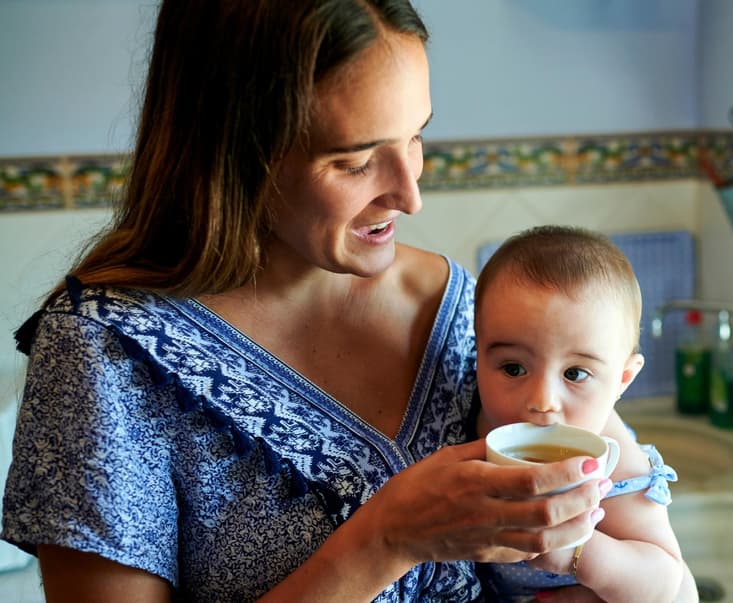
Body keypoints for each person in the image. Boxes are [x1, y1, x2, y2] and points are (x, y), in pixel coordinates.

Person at [0, 2, 619, 601]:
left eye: (416, 136)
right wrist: (385, 539)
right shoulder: (105, 350)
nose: (409, 196)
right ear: (235, 154)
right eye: (355, 162)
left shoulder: (461, 307)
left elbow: (646, 541)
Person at [472, 225, 688, 602]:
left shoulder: (617, 464)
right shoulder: (469, 422)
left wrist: (576, 553)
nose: (543, 401)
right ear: (476, 359)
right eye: (513, 368)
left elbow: (666, 584)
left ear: (623, 379)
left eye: (574, 374)